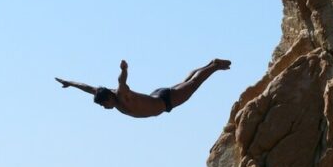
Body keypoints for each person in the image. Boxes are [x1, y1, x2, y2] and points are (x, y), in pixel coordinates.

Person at [55, 58, 231, 118]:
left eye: (103, 104)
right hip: (156, 97)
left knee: (192, 84)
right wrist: (70, 83)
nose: (104, 107)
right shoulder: (107, 95)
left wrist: (124, 70)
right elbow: (87, 87)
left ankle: (214, 66)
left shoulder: (122, 95)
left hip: (164, 100)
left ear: (108, 98)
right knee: (186, 81)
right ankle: (209, 64)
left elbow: (122, 82)